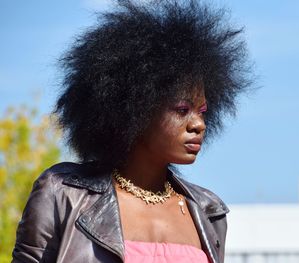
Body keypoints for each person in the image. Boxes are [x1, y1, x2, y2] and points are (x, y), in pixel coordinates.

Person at [12, 0, 250, 262]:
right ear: (136, 109)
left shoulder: (208, 212)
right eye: (182, 110)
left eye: (202, 112)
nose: (198, 124)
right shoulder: (63, 194)